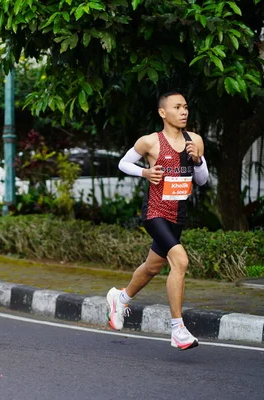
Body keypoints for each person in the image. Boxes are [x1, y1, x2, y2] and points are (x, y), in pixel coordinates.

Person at [106, 92, 209, 351]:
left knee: (152, 267)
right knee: (181, 261)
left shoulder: (194, 141)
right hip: (155, 213)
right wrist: (145, 172)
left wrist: (198, 159)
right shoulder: (151, 142)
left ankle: (121, 298)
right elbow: (123, 163)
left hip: (178, 216)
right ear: (163, 113)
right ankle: (178, 330)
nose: (183, 111)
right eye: (177, 107)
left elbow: (202, 180)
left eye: (185, 106)